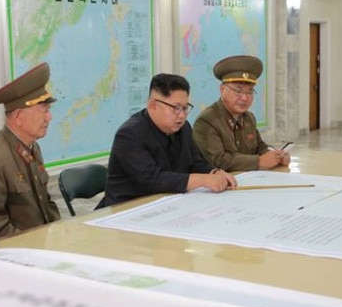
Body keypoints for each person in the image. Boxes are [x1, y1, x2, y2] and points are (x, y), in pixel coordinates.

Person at [96, 73, 237, 208]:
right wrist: (202, 180)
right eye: (175, 108)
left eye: (185, 108)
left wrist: (214, 172)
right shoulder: (129, 134)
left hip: (167, 202)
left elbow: (195, 162)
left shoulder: (184, 128)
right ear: (153, 106)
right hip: (126, 208)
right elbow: (152, 180)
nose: (182, 115)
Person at [0, 62, 60, 245]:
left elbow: (46, 206)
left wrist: (56, 236)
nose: (49, 117)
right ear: (18, 117)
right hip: (11, 255)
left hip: (38, 248)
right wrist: (35, 248)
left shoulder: (31, 147)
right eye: (44, 111)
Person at [193, 55, 290, 171]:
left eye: (249, 92)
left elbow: (260, 146)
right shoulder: (207, 121)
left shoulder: (248, 118)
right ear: (223, 90)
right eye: (238, 91)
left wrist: (276, 155)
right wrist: (259, 162)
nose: (244, 98)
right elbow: (219, 160)